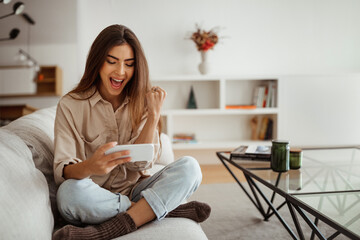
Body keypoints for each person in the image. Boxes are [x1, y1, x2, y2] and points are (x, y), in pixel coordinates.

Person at [52, 24, 211, 240]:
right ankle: (158, 209)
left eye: (129, 64)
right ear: (97, 61)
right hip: (93, 193)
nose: (120, 72)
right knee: (68, 195)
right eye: (112, 61)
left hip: (135, 188)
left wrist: (153, 116)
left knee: (191, 167)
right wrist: (91, 166)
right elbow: (63, 171)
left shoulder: (142, 102)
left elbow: (142, 165)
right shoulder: (71, 105)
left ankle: (113, 227)